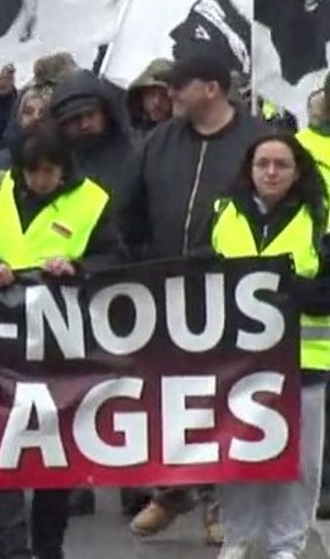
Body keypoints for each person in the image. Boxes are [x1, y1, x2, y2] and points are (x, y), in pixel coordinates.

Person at [0, 122, 124, 559]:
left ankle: (49, 546)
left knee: (54, 450)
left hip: (59, 344)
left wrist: (78, 265)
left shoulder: (92, 201)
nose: (39, 180)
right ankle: (11, 548)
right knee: (1, 443)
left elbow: (115, 256)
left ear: (64, 169)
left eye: (48, 172)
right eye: (31, 172)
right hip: (0, 340)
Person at [128, 55, 269, 543]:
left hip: (232, 289)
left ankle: (219, 503)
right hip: (164, 286)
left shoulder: (257, 140)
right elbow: (134, 208)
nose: (170, 96)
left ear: (210, 89)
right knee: (170, 396)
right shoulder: (159, 140)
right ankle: (173, 490)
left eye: (179, 87)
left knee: (223, 396)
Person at [209, 134, 330, 559]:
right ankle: (239, 537)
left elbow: (325, 292)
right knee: (237, 449)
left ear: (298, 171)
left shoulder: (320, 219)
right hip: (237, 359)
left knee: (301, 462)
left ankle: (286, 545)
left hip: (304, 362)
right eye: (263, 164)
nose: (272, 172)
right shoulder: (224, 213)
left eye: (282, 164)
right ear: (250, 168)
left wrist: (276, 284)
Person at [49, 68, 140, 256]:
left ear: (106, 113)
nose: (84, 124)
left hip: (130, 262)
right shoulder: (52, 163)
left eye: (91, 115)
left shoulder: (137, 152)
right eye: (74, 119)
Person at [126, 58, 173, 142]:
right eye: (151, 94)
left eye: (164, 95)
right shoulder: (129, 139)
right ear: (141, 95)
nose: (157, 102)